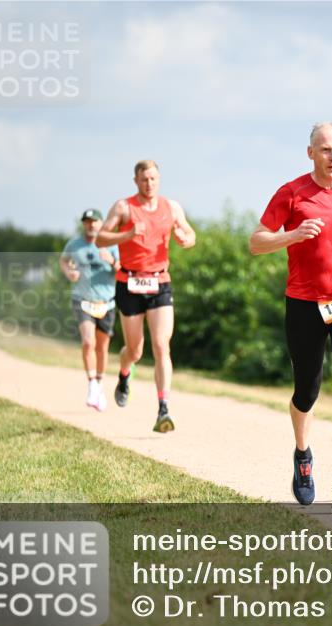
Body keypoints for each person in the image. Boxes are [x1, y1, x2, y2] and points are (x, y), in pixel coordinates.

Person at [250, 122, 332, 509]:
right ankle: (303, 454)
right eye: (325, 150)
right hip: (305, 303)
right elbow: (257, 242)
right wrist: (290, 236)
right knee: (307, 391)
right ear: (311, 153)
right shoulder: (291, 193)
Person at [95, 160, 196, 432]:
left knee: (162, 345)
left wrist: (186, 239)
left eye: (153, 179)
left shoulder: (171, 207)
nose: (149, 184)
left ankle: (164, 408)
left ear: (158, 179)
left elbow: (189, 232)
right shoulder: (123, 207)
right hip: (129, 283)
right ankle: (125, 373)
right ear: (136, 181)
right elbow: (100, 239)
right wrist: (127, 234)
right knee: (135, 350)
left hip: (160, 282)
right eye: (144, 180)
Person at [60, 208, 120, 411]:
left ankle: (100, 383)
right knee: (88, 342)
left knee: (102, 348)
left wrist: (111, 260)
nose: (91, 225)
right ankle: (92, 383)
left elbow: (123, 268)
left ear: (102, 223)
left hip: (107, 302)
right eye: (87, 222)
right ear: (83, 224)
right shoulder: (74, 244)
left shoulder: (111, 243)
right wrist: (69, 272)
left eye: (94, 221)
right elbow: (64, 260)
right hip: (82, 300)